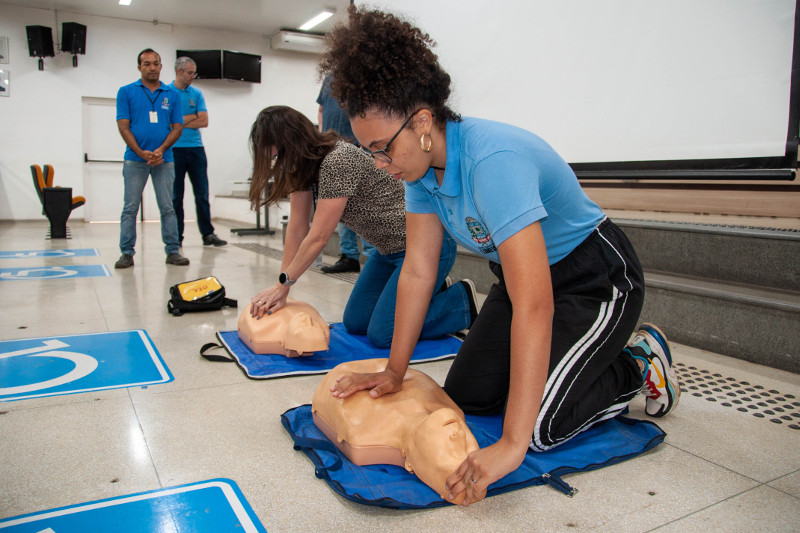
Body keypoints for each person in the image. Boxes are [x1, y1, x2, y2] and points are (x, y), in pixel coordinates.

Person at [321, 6, 681, 506]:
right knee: (467, 397)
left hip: (593, 277)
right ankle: (568, 365)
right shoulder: (420, 173)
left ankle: (638, 364)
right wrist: (394, 372)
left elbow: (537, 306)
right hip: (523, 282)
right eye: (370, 154)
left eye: (383, 149)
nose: (381, 166)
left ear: (422, 121)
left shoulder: (493, 162)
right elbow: (420, 271)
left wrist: (512, 447)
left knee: (543, 427)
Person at [247, 105, 476, 349]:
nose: (277, 164)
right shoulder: (301, 169)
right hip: (388, 252)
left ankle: (461, 301)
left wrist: (284, 284)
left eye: (277, 156)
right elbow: (297, 227)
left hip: (424, 246)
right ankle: (433, 291)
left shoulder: (337, 160)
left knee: (383, 334)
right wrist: (282, 287)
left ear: (291, 143)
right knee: (356, 322)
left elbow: (318, 237)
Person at [115, 48, 189, 268]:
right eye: (147, 64)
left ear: (161, 66)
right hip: (134, 160)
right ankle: (126, 253)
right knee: (130, 207)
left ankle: (173, 251)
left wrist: (161, 149)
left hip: (164, 160)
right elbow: (123, 126)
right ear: (139, 67)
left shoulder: (171, 94)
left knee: (168, 207)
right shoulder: (126, 92)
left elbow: (177, 127)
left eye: (156, 63)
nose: (152, 67)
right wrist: (140, 152)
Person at [316, 74, 374, 273]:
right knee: (340, 205)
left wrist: (364, 140)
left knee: (362, 205)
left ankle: (372, 258)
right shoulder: (329, 78)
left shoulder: (361, 75)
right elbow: (322, 109)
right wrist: (323, 136)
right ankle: (348, 255)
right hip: (332, 147)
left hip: (359, 147)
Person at [170, 57, 227, 247]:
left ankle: (208, 234)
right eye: (190, 73)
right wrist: (191, 117)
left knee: (202, 193)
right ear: (179, 72)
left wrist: (179, 120)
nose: (193, 76)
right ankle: (176, 236)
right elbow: (168, 123)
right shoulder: (167, 93)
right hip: (174, 149)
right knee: (176, 196)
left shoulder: (197, 93)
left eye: (194, 73)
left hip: (196, 149)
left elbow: (204, 121)